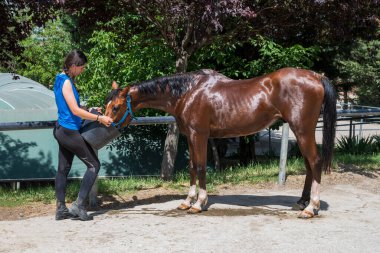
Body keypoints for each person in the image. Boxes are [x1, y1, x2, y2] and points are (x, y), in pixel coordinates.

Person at [53, 50, 113, 221]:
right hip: (69, 131)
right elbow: (74, 110)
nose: (83, 70)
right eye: (82, 67)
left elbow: (71, 107)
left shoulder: (60, 78)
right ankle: (78, 205)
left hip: (62, 129)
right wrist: (98, 118)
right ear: (73, 66)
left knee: (63, 169)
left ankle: (61, 208)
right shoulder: (66, 83)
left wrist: (90, 110)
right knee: (94, 165)